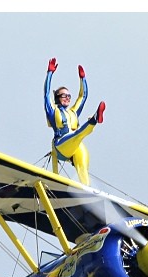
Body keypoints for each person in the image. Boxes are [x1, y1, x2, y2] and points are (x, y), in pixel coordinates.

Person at [44, 57, 105, 185]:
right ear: (57, 98)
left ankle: (87, 190)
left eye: (69, 96)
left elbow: (83, 96)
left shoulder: (73, 112)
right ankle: (94, 119)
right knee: (78, 135)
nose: (67, 98)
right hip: (61, 145)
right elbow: (46, 94)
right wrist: (50, 73)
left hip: (74, 146)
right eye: (64, 95)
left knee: (82, 154)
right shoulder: (53, 111)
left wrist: (83, 78)